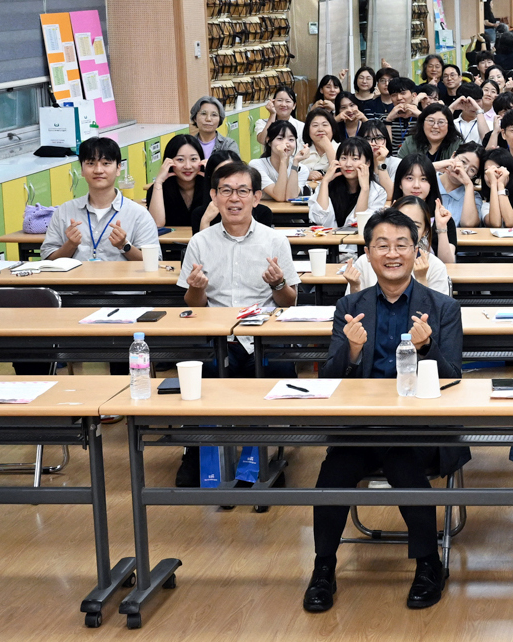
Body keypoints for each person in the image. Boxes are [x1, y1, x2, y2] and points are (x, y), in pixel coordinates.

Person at [303, 209, 466, 614]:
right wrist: (352, 349)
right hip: (362, 427)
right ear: (368, 253)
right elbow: (332, 378)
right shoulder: (350, 304)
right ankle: (323, 568)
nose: (392, 254)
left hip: (419, 428)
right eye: (382, 245)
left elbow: (454, 380)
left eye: (401, 245)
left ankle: (429, 564)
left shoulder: (442, 307)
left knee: (404, 465)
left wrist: (428, 349)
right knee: (332, 474)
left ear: (416, 251)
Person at [180, 162, 301, 376]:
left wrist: (278, 284)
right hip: (217, 335)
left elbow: (290, 302)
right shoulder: (199, 242)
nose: (234, 198)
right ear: (214, 196)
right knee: (205, 372)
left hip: (265, 333)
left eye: (242, 191)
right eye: (226, 190)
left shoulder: (276, 241)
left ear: (256, 198)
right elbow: (193, 304)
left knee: (279, 369)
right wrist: (197, 288)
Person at [40, 137, 159, 262]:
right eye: (91, 163)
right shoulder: (64, 211)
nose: (98, 170)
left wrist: (124, 246)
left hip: (121, 281)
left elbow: (154, 262)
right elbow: (47, 259)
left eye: (106, 163)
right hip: (77, 281)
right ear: (82, 169)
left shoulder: (139, 214)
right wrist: (70, 245)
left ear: (118, 168)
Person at [309, 138, 386, 228]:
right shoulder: (326, 186)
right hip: (326, 240)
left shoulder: (378, 192)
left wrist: (365, 189)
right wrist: (325, 182)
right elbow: (320, 220)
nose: (348, 164)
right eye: (344, 158)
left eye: (355, 158)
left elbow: (359, 225)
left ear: (368, 163)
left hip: (358, 241)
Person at [148, 134, 213, 232]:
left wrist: (212, 179)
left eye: (193, 159)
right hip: (171, 246)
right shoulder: (159, 189)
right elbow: (157, 224)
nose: (187, 166)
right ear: (168, 162)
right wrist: (158, 182)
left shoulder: (209, 187)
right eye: (180, 160)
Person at [250, 120, 307, 203]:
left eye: (291, 139)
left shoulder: (302, 169)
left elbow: (291, 198)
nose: (286, 143)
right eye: (280, 138)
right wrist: (283, 160)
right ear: (268, 141)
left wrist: (295, 162)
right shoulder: (256, 165)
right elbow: (279, 196)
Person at [396, 103, 462, 165]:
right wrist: (436, 167)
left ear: (449, 125)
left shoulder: (457, 145)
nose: (435, 126)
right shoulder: (410, 143)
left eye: (441, 122)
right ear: (422, 123)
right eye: (431, 121)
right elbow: (400, 169)